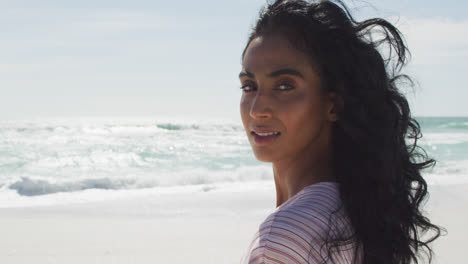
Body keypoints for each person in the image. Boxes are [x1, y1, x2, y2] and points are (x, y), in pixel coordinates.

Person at [238, 0, 443, 263]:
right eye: (248, 86)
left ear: (332, 104)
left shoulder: (283, 238)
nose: (257, 110)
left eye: (285, 86)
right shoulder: (358, 211)